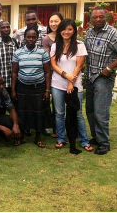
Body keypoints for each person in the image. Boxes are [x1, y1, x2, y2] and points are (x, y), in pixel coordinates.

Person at [85, 7, 117, 155]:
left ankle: (104, 143)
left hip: (103, 78)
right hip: (90, 76)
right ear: (91, 19)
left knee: (100, 112)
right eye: (95, 17)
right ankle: (96, 137)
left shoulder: (113, 34)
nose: (98, 19)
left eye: (101, 17)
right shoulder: (89, 33)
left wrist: (110, 68)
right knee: (90, 110)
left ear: (106, 17)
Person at [50, 19, 94, 152]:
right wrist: (65, 75)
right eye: (64, 29)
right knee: (59, 113)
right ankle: (61, 138)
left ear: (74, 30)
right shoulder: (55, 45)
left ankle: (84, 140)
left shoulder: (79, 45)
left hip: (75, 85)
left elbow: (79, 66)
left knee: (78, 113)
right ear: (60, 30)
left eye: (69, 29)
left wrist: (70, 82)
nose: (66, 32)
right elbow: (53, 64)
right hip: (57, 84)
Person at [11, 27, 52, 148]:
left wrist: (47, 90)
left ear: (37, 38)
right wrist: (13, 90)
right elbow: (14, 72)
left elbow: (47, 72)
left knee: (38, 112)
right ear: (24, 38)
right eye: (28, 37)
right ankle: (21, 136)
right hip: (22, 87)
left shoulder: (42, 52)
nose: (31, 39)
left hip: (38, 87)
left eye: (34, 37)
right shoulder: (18, 53)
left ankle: (38, 137)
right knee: (22, 112)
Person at [42, 12, 64, 139]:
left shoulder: (67, 35)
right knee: (54, 102)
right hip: (52, 73)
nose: (54, 24)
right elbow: (47, 59)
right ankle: (55, 128)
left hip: (68, 73)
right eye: (51, 21)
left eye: (56, 21)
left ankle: (69, 128)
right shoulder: (47, 39)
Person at [0, 21, 20, 96]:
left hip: (16, 82)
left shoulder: (17, 43)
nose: (6, 29)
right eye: (3, 28)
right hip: (1, 84)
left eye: (8, 27)